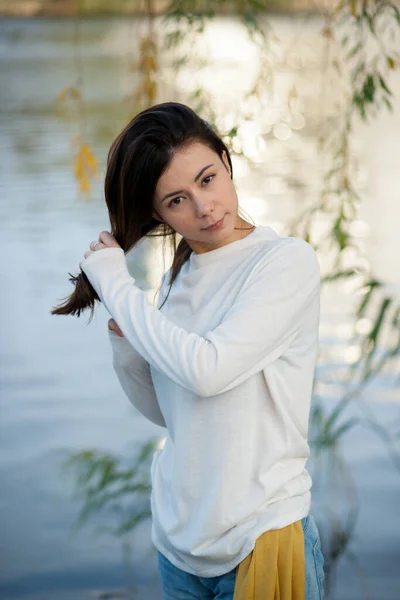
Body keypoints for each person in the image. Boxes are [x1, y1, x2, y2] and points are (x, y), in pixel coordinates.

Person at [51, 101, 325, 599]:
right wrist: (128, 347)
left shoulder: (285, 263)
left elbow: (208, 372)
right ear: (157, 213)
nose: (204, 207)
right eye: (176, 200)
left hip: (258, 538)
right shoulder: (179, 276)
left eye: (207, 178)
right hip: (180, 546)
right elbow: (171, 411)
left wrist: (119, 286)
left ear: (225, 160)